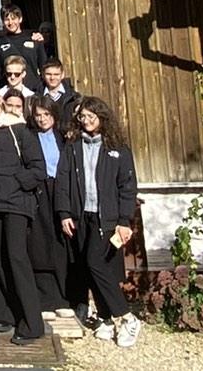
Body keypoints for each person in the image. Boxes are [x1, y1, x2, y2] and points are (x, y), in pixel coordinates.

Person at [54, 97, 141, 347]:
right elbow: (63, 181)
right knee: (88, 265)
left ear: (102, 117)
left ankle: (127, 317)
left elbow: (127, 186)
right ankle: (105, 318)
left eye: (91, 116)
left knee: (96, 264)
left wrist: (124, 220)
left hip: (108, 218)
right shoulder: (73, 146)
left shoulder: (118, 148)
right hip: (82, 215)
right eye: (82, 117)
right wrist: (64, 213)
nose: (86, 121)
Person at [0, 83, 47, 345]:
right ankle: (6, 314)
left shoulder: (19, 129)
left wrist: (16, 182)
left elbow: (37, 168)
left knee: (16, 259)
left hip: (15, 204)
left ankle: (32, 323)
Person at [26, 97, 71, 316]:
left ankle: (64, 298)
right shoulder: (30, 137)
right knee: (41, 244)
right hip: (39, 191)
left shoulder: (64, 137)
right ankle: (45, 299)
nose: (43, 119)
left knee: (61, 243)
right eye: (38, 115)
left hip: (61, 189)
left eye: (47, 114)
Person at [0, 6, 48, 81]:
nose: (10, 22)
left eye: (13, 18)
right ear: (3, 22)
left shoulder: (34, 39)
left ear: (20, 19)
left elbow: (44, 67)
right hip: (9, 86)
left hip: (33, 86)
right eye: (7, 20)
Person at [40, 58, 78, 128]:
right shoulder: (36, 97)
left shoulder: (74, 98)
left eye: (56, 74)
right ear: (43, 75)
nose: (52, 78)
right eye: (48, 74)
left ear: (62, 75)